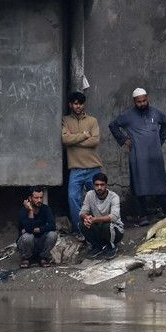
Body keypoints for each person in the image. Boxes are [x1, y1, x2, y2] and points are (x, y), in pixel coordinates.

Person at [108, 87, 166, 226]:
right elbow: (113, 125)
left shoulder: (156, 113)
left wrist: (159, 141)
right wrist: (124, 140)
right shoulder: (128, 115)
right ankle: (142, 216)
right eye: (139, 102)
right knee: (139, 185)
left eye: (144, 100)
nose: (142, 103)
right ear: (134, 101)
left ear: (147, 98)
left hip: (155, 156)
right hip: (138, 157)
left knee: (161, 184)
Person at [61, 91, 102, 232]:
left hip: (93, 168)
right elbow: (65, 140)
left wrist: (74, 140)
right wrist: (84, 135)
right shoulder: (66, 120)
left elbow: (95, 141)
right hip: (76, 169)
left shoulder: (92, 121)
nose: (78, 106)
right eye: (75, 103)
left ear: (84, 104)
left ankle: (99, 228)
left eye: (81, 103)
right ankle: (80, 230)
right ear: (71, 105)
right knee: (73, 199)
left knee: (98, 199)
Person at [80, 172, 124, 257]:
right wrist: (87, 218)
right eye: (96, 185)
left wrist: (95, 219)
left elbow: (114, 217)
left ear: (106, 185)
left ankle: (111, 247)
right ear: (93, 185)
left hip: (115, 230)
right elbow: (83, 211)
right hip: (99, 228)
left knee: (107, 225)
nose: (99, 187)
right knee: (82, 223)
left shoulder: (114, 197)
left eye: (102, 185)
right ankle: (97, 247)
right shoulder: (90, 194)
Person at [17, 186, 58, 267]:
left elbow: (52, 226)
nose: (39, 200)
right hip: (26, 244)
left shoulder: (46, 209)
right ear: (30, 198)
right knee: (28, 237)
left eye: (41, 197)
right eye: (36, 198)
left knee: (53, 235)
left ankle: (43, 257)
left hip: (40, 242)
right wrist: (30, 211)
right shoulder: (23, 211)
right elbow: (29, 230)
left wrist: (37, 229)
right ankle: (26, 258)